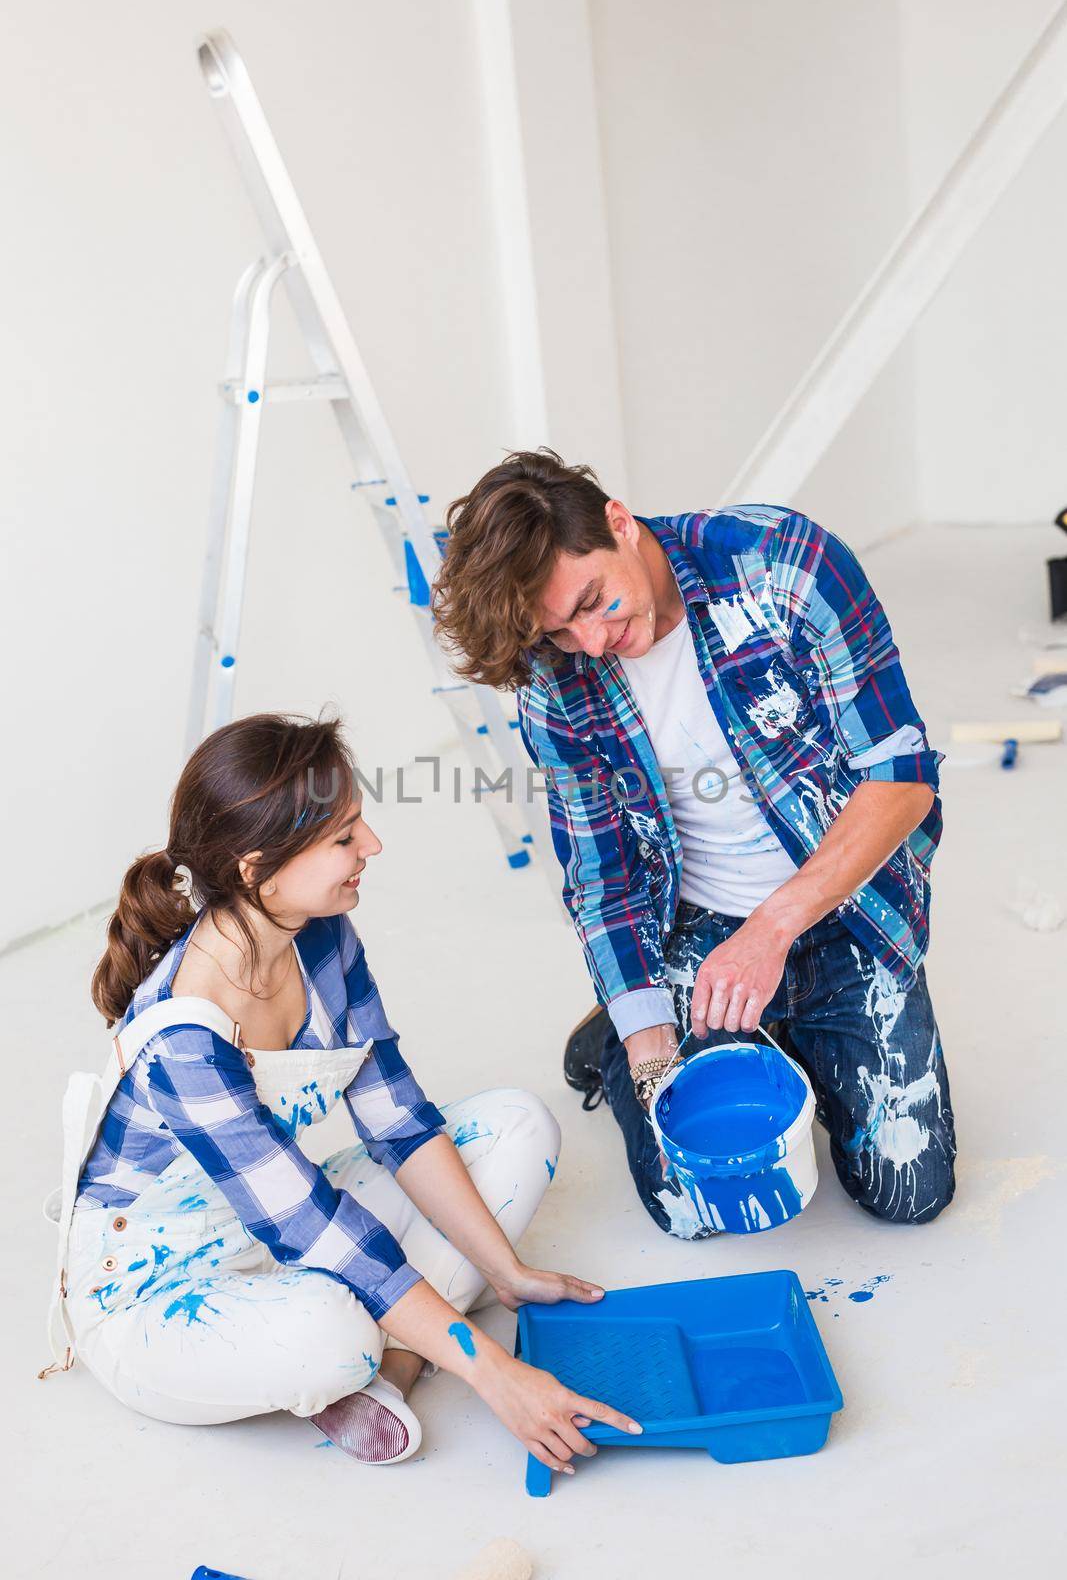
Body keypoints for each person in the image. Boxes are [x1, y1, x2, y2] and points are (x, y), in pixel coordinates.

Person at [56, 712, 641, 1470]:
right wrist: (496, 1374)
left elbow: (397, 1121)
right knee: (331, 1334)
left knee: (517, 1126)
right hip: (156, 1293)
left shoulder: (320, 935)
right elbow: (315, 1229)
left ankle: (393, 1372)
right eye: (343, 837)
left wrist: (506, 1270)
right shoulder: (182, 1040)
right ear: (255, 868)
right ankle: (387, 1355)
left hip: (271, 1230)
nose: (371, 848)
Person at [432, 449, 957, 1237]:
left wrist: (772, 928)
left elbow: (902, 777)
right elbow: (601, 875)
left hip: (839, 909)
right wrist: (649, 1049)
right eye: (561, 630)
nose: (592, 642)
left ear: (618, 521)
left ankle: (772, 1026)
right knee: (693, 1209)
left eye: (594, 601)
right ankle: (623, 1027)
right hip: (696, 928)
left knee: (908, 1197)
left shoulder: (781, 564)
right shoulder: (555, 678)